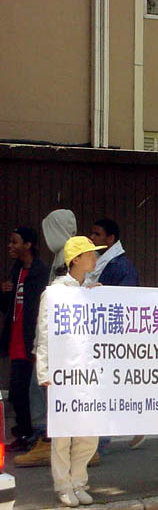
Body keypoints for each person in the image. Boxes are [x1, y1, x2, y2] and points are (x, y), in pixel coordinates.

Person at [35, 236, 107, 507]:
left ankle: (79, 481)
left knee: (88, 432)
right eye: (90, 254)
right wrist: (44, 371)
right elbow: (44, 333)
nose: (94, 258)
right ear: (75, 259)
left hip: (89, 373)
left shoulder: (89, 291)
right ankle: (63, 485)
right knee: (63, 434)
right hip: (62, 374)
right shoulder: (54, 293)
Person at [15, 210, 77, 467]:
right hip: (54, 338)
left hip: (59, 340)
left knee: (41, 389)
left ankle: (46, 440)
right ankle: (52, 440)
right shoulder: (60, 255)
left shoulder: (67, 255)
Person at [86, 218, 143, 452]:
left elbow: (126, 303)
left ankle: (100, 441)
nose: (92, 238)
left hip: (111, 338)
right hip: (98, 335)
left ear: (110, 239)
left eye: (97, 234)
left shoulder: (121, 267)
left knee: (107, 388)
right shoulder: (100, 262)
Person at [0, 227, 50, 452]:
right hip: (16, 338)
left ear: (28, 245)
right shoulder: (17, 270)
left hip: (32, 340)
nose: (10, 246)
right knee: (17, 391)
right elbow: (8, 306)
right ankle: (24, 433)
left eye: (15, 242)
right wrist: (4, 292)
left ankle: (34, 435)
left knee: (29, 391)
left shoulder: (40, 272)